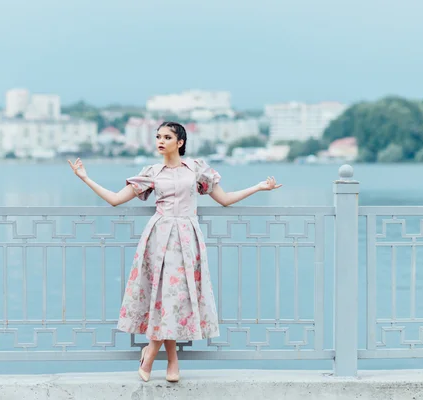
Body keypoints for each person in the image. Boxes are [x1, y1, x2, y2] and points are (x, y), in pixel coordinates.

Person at [68, 121, 282, 382]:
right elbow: (114, 199)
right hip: (159, 238)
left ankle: (152, 352)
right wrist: (84, 177)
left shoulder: (196, 169)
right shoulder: (151, 172)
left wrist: (258, 187)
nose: (160, 141)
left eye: (167, 137)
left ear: (180, 142)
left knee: (175, 297)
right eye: (158, 136)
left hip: (188, 239)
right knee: (164, 297)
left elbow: (224, 200)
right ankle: (171, 361)